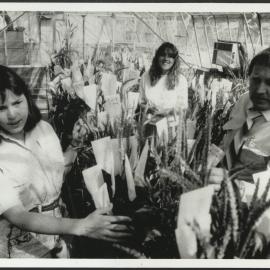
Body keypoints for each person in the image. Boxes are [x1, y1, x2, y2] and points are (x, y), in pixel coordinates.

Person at [0, 65, 132, 258]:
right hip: (23, 248)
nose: (12, 114)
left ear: (27, 98)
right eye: (1, 108)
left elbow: (58, 175)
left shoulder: (43, 129)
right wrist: (81, 226)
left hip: (61, 235)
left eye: (17, 102)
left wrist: (75, 146)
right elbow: (17, 215)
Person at [210, 48, 270, 183]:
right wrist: (210, 159)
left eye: (269, 83)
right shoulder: (246, 101)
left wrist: (232, 180)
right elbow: (229, 140)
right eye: (256, 80)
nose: (260, 90)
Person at [139, 42, 188, 112]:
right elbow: (141, 101)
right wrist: (148, 109)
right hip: (149, 120)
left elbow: (182, 106)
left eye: (170, 56)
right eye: (163, 55)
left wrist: (167, 112)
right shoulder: (146, 76)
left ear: (175, 60)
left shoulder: (181, 80)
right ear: (157, 57)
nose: (166, 58)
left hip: (170, 121)